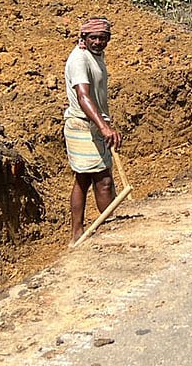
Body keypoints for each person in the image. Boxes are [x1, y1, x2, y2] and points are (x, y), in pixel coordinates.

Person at [64, 16, 123, 245]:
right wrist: (104, 127)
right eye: (93, 38)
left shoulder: (95, 55)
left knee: (86, 179)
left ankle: (80, 233)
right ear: (83, 37)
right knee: (102, 180)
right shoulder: (79, 59)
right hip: (83, 127)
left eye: (103, 38)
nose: (98, 42)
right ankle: (110, 228)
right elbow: (83, 96)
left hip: (94, 125)